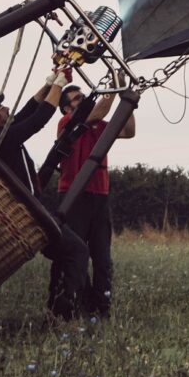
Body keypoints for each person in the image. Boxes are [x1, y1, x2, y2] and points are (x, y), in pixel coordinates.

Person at [49, 85, 134, 319]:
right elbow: (100, 110)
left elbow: (128, 131)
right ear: (66, 107)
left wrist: (128, 102)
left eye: (82, 97)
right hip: (73, 195)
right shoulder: (66, 123)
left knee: (102, 256)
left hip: (99, 195)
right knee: (76, 254)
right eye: (77, 99)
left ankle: (102, 308)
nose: (83, 100)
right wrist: (118, 86)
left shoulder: (97, 125)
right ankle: (74, 305)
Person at [0, 64, 71, 195]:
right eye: (1, 108)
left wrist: (49, 84)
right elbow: (37, 120)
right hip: (22, 201)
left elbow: (28, 111)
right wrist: (59, 84)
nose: (8, 108)